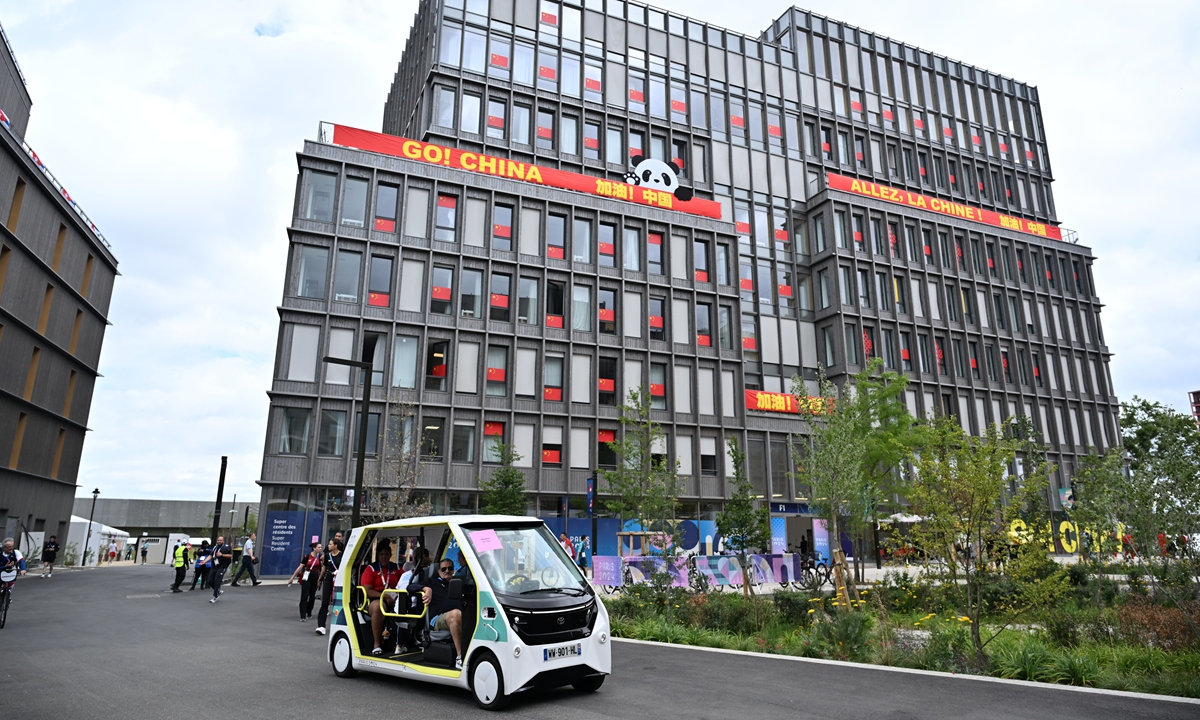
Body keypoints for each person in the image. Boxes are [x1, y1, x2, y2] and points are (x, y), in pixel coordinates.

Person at [411, 558, 466, 670]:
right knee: (455, 615)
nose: (447, 571)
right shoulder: (432, 582)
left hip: (460, 615)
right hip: (437, 619)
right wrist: (427, 589)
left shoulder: (458, 583)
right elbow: (410, 587)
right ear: (439, 571)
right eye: (443, 569)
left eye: (450, 568)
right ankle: (460, 657)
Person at [360, 542, 402, 655]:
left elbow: (404, 581)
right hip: (376, 598)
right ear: (378, 555)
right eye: (381, 554)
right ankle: (376, 644)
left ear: (390, 555)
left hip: (396, 596)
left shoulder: (396, 568)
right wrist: (385, 596)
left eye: (387, 554)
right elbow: (367, 590)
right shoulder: (371, 569)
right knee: (379, 607)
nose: (384, 557)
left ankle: (406, 641)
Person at [315, 538, 344, 635]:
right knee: (325, 601)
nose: (328, 545)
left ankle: (339, 624)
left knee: (339, 602)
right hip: (329, 578)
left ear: (336, 545)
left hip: (339, 579)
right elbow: (324, 568)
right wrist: (320, 579)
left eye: (331, 544)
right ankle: (321, 626)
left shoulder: (342, 555)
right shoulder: (327, 555)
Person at [288, 542, 323, 621]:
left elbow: (321, 569)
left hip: (315, 576)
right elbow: (300, 567)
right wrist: (292, 578)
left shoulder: (320, 557)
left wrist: (320, 580)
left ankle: (309, 611)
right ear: (314, 548)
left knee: (312, 596)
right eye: (319, 547)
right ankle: (302, 615)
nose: (320, 549)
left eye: (321, 547)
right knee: (304, 595)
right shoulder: (307, 556)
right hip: (306, 576)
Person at [209, 536, 233, 603]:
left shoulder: (226, 547)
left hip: (222, 567)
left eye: (221, 540)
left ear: (223, 541)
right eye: (218, 540)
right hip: (214, 566)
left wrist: (222, 555)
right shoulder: (215, 547)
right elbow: (211, 556)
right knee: (209, 581)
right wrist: (204, 561)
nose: (219, 541)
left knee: (217, 581)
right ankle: (218, 591)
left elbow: (230, 555)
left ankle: (215, 596)